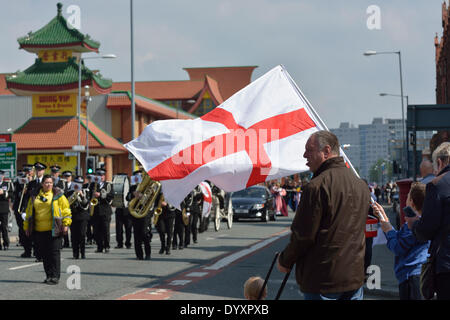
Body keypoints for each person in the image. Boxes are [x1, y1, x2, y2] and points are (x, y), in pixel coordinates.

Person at [277, 130, 370, 300]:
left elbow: (303, 235)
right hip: (354, 277)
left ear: (326, 151)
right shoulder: (361, 186)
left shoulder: (316, 187)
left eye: (309, 150)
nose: (305, 155)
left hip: (324, 280)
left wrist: (285, 260)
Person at [372, 182, 429, 300]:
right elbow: (399, 238)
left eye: (408, 196)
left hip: (411, 276)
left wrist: (388, 230)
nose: (406, 198)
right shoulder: (420, 221)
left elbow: (398, 246)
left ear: (412, 202)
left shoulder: (415, 225)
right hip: (414, 274)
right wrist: (385, 220)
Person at [412, 142, 450, 300]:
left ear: (440, 162)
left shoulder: (437, 185)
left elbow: (426, 229)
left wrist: (414, 224)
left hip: (447, 264)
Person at [23, 175, 71, 285]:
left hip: (54, 229)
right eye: (46, 183)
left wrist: (66, 223)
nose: (48, 185)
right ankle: (48, 275)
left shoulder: (58, 195)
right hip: (39, 230)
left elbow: (66, 210)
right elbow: (29, 212)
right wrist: (26, 226)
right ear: (42, 184)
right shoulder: (35, 195)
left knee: (54, 254)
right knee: (44, 254)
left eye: (50, 182)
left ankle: (55, 276)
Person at [127, 171, 151, 260]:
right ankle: (139, 255)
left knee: (144, 233)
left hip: (144, 213)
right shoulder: (133, 187)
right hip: (134, 213)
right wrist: (133, 194)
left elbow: (151, 199)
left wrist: (143, 196)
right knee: (136, 235)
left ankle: (148, 253)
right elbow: (127, 197)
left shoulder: (147, 188)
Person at [90, 169, 114, 253]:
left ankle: (107, 246)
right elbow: (89, 195)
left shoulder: (108, 185)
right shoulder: (93, 185)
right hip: (95, 210)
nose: (101, 177)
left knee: (105, 230)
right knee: (96, 230)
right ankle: (99, 246)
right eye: (99, 175)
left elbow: (111, 196)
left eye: (103, 175)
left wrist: (100, 195)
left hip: (105, 211)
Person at [13, 165, 34, 257]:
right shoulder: (19, 181)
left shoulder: (35, 182)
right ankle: (27, 250)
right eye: (26, 172)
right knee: (23, 230)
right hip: (21, 208)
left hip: (32, 208)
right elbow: (15, 193)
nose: (28, 173)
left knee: (34, 230)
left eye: (29, 172)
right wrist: (21, 192)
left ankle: (36, 249)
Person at [67, 176, 89, 259]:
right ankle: (75, 253)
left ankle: (83, 253)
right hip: (73, 216)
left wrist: (82, 196)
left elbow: (86, 204)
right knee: (74, 236)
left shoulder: (86, 192)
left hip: (82, 216)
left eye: (80, 183)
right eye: (76, 183)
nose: (78, 185)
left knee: (82, 235)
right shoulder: (69, 192)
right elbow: (67, 203)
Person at [114, 174, 132, 249]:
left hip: (128, 209)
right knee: (118, 228)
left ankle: (128, 242)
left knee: (128, 228)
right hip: (119, 207)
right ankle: (119, 243)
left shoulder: (131, 187)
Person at [0, 170, 13, 250]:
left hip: (4, 208)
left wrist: (4, 193)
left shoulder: (7, 184)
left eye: (1, 175)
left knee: (4, 227)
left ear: (3, 176)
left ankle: (6, 243)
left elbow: (11, 194)